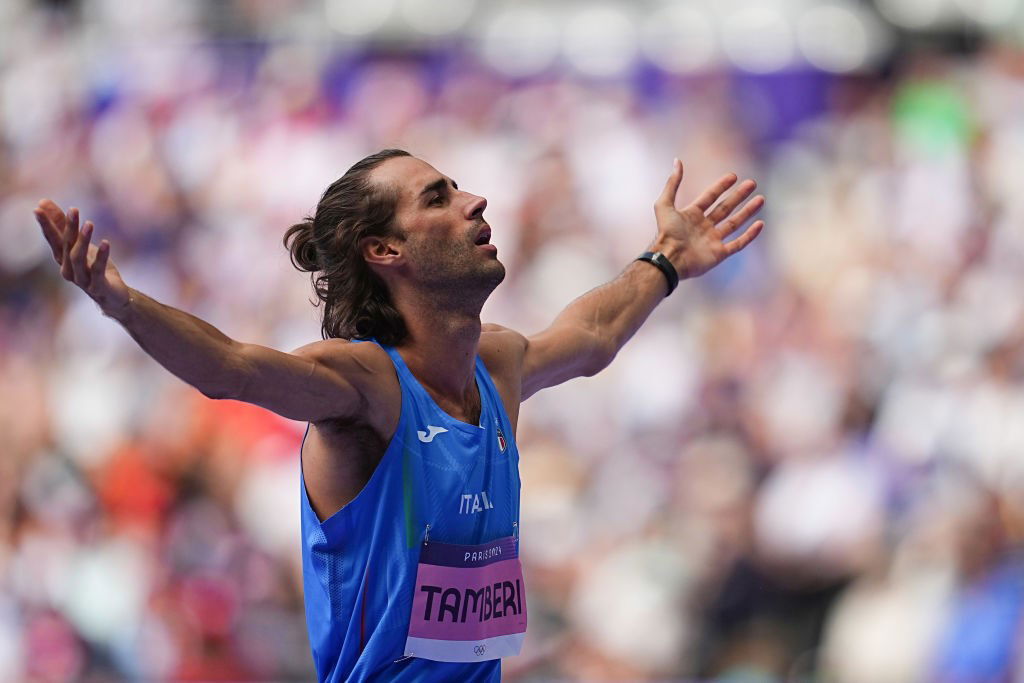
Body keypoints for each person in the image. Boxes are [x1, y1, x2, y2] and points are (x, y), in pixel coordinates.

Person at [35, 148, 764, 682]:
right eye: (439, 197)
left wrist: (666, 259)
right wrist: (122, 304)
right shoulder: (366, 385)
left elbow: (594, 335)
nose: (476, 201)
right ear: (385, 249)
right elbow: (231, 367)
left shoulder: (498, 365)